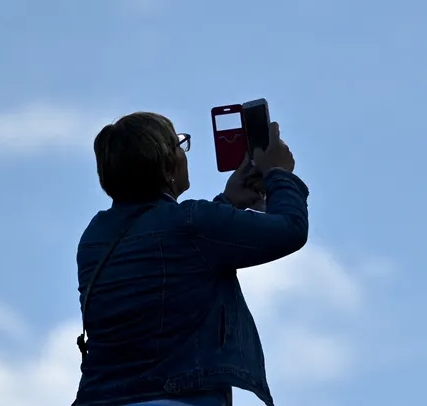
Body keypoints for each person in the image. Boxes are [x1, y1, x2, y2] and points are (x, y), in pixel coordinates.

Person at [71, 111, 309, 406]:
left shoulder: (95, 237)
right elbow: (290, 229)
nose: (184, 154)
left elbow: (172, 251)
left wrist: (227, 204)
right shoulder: (194, 224)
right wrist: (279, 174)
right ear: (167, 165)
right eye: (178, 145)